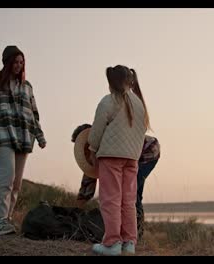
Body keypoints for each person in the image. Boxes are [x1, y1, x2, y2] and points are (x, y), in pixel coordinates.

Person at [0, 45, 47, 236]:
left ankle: (8, 219)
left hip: (24, 138)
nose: (18, 66)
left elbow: (34, 114)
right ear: (7, 62)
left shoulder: (27, 86)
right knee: (6, 179)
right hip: (5, 136)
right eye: (15, 62)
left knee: (17, 184)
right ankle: (0, 222)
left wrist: (39, 136)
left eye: (21, 62)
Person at [88, 65, 149, 256]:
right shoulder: (140, 104)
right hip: (132, 158)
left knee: (110, 199)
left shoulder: (109, 101)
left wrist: (92, 148)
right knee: (128, 200)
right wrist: (134, 154)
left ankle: (112, 243)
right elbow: (142, 132)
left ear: (112, 82)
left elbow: (97, 129)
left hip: (111, 156)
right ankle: (129, 243)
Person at [72, 124, 160, 239]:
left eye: (83, 146)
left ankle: (134, 234)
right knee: (132, 193)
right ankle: (134, 233)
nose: (83, 151)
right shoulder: (93, 155)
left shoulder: (106, 144)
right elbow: (87, 186)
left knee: (129, 193)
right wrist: (76, 213)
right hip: (132, 157)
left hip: (147, 151)